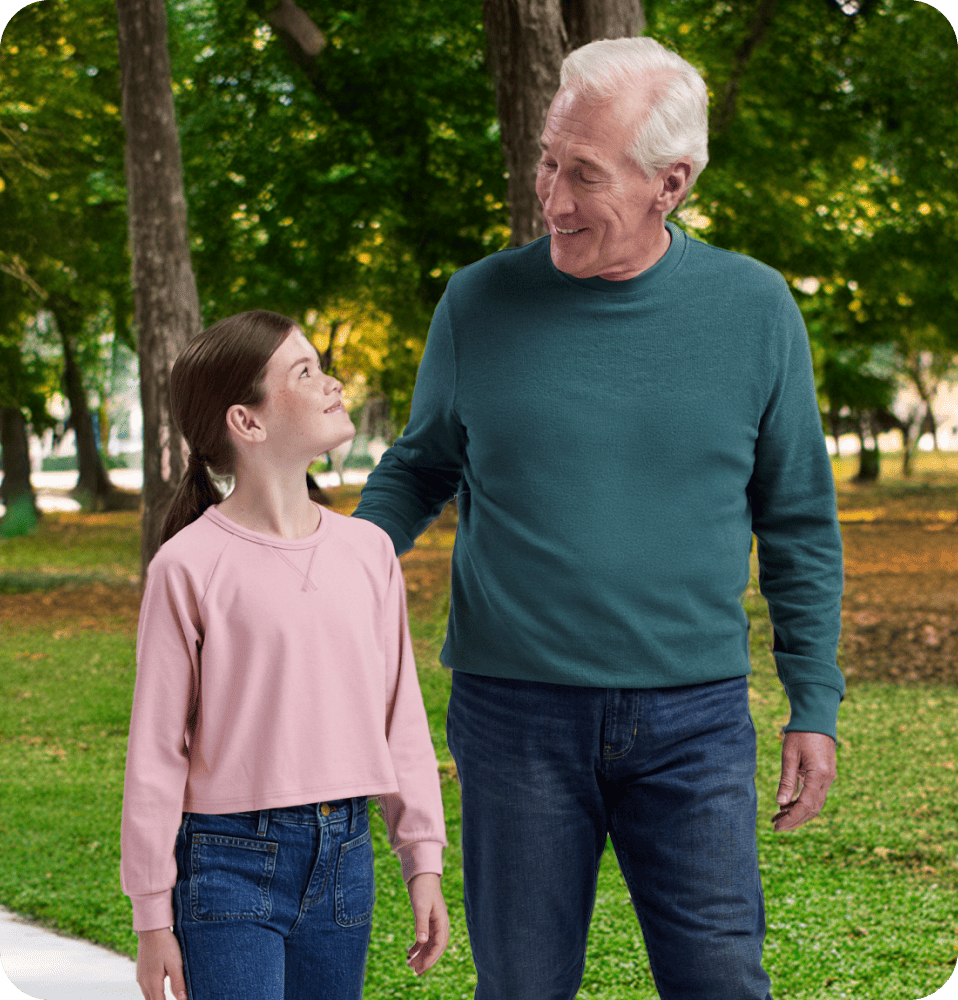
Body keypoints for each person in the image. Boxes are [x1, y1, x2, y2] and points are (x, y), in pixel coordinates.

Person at [352, 37, 843, 1000]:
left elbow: (796, 520)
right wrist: (335, 563)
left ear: (672, 182)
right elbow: (419, 467)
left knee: (719, 979)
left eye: (584, 173)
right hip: (513, 715)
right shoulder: (478, 301)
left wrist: (812, 700)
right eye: (548, 160)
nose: (553, 196)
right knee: (523, 985)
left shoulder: (755, 308)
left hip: (694, 719)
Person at [121, 310, 448, 1000]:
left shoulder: (368, 553)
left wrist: (423, 861)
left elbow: (402, 718)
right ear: (248, 422)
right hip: (227, 862)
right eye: (304, 373)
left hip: (345, 858)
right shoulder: (188, 566)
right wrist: (152, 918)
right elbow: (156, 751)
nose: (331, 384)